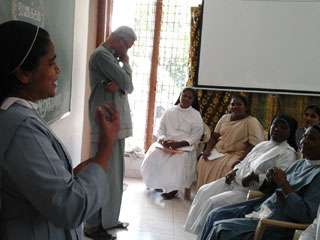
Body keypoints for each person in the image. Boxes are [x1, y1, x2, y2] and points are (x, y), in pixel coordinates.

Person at [0, 20, 120, 240]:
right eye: (50, 63)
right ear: (23, 74)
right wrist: (105, 147)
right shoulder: (21, 128)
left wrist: (68, 178)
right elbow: (71, 207)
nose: (58, 69)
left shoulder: (19, 117)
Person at [200, 123, 320, 240]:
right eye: (305, 136)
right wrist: (271, 180)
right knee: (214, 215)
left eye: (312, 139)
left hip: (278, 223)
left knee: (221, 229)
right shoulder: (299, 164)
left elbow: (306, 215)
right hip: (264, 207)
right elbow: (275, 190)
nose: (304, 141)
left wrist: (284, 184)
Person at [184, 114, 298, 236]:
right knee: (204, 190)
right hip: (235, 181)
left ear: (290, 132)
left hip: (249, 190)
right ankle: (198, 233)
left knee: (214, 202)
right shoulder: (262, 145)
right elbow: (244, 162)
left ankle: (206, 235)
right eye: (275, 125)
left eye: (283, 127)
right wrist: (233, 171)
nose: (277, 129)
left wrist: (255, 177)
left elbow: (279, 178)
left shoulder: (288, 153)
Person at [85, 26, 137, 239]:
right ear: (118, 39)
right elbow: (127, 83)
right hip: (105, 126)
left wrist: (122, 80)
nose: (126, 52)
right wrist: (125, 64)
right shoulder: (101, 55)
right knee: (101, 176)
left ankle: (108, 220)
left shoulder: (111, 58)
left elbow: (126, 86)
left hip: (114, 126)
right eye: (127, 46)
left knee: (114, 177)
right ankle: (92, 226)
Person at [140, 87, 203, 200]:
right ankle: (156, 183)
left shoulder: (196, 115)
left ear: (193, 100)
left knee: (178, 159)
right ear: (180, 95)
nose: (186, 99)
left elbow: (196, 136)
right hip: (166, 143)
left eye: (189, 97)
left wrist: (179, 144)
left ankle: (172, 190)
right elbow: (160, 130)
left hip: (184, 145)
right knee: (153, 153)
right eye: (184, 95)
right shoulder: (169, 111)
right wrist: (164, 140)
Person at [196, 95, 265, 189]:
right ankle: (203, 191)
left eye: (239, 104)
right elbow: (214, 137)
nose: (235, 107)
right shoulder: (224, 118)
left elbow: (254, 145)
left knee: (229, 167)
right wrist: (207, 150)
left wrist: (240, 159)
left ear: (245, 107)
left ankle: (217, 194)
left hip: (237, 154)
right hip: (218, 151)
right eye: (232, 104)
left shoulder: (251, 121)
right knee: (203, 160)